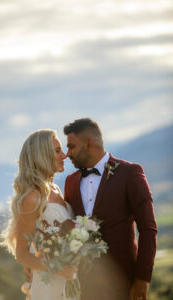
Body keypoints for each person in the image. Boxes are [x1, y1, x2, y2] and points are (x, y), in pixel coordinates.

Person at [63, 118, 157, 300]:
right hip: (85, 287)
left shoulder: (130, 173)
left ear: (88, 143)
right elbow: (67, 227)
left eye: (71, 146)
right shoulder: (70, 182)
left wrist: (142, 279)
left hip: (124, 283)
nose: (68, 154)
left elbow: (148, 229)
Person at [0, 129, 79, 300]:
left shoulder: (56, 189)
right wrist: (58, 268)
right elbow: (23, 254)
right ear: (42, 156)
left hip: (71, 281)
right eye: (57, 151)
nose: (64, 155)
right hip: (49, 284)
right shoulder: (32, 198)